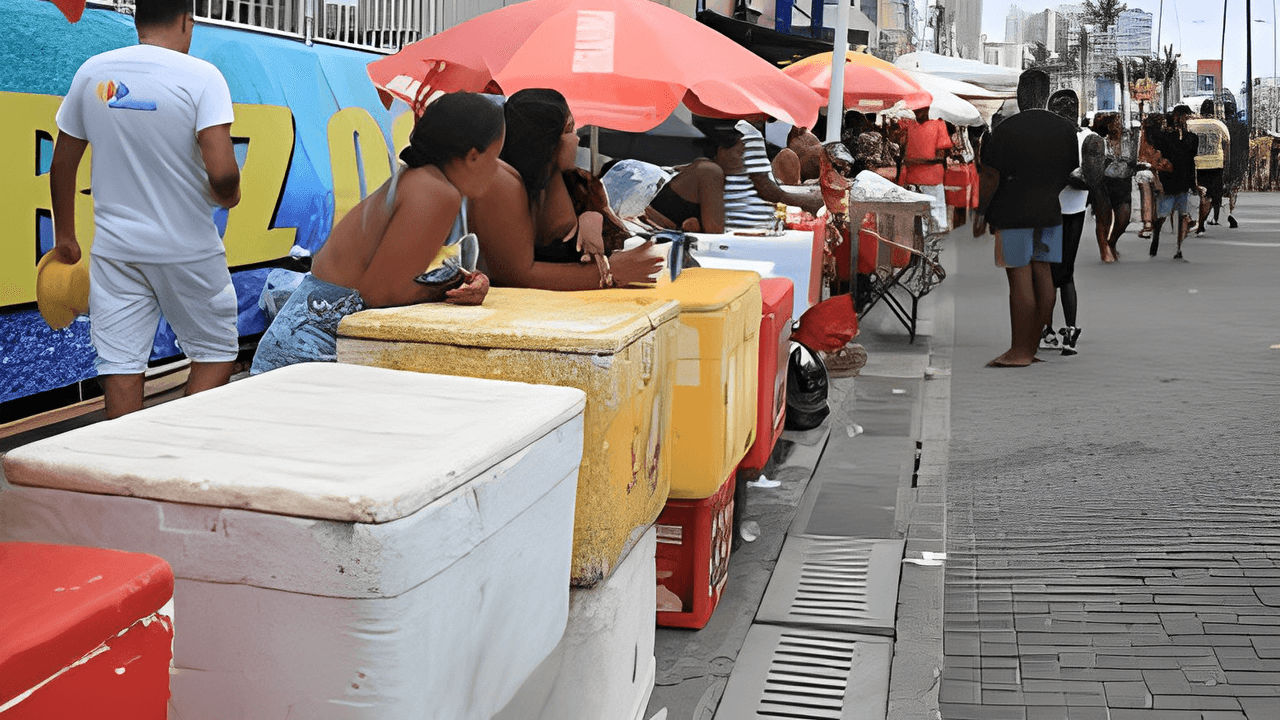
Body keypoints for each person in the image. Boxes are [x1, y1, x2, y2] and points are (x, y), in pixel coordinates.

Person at [49, 0, 240, 419]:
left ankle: (124, 462)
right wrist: (229, 195)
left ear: (138, 20)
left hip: (117, 250)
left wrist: (65, 237)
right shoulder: (203, 77)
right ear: (187, 21)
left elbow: (62, 164)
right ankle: (184, 445)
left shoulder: (93, 71)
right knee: (216, 350)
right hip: (187, 249)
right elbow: (223, 173)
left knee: (119, 363)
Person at [250, 93, 500, 374]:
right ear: (473, 157)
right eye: (495, 158)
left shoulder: (418, 181)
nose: (497, 172)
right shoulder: (435, 191)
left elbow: (389, 272)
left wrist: (460, 280)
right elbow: (383, 292)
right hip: (305, 357)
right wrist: (451, 286)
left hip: (298, 347)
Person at [471, 89, 665, 290]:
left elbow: (621, 242)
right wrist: (608, 272)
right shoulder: (500, 187)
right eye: (569, 130)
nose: (577, 138)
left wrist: (594, 217)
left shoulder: (580, 183)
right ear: (545, 141)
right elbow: (513, 275)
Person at [975, 69, 1079, 368]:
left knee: (1019, 279)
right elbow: (1069, 171)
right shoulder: (1065, 130)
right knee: (1043, 276)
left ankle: (1019, 351)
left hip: (1013, 213)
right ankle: (1030, 346)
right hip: (1049, 211)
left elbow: (991, 176)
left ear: (1022, 93)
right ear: (1046, 94)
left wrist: (981, 211)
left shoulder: (1006, 130)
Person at [1041, 89, 1102, 357]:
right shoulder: (1088, 138)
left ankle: (1052, 330)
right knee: (1063, 273)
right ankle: (1066, 330)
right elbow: (1092, 177)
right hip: (1069, 210)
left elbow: (1089, 178)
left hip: (1055, 209)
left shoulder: (1054, 136)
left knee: (1053, 272)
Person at [720, 120, 823, 229]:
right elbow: (766, 189)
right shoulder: (748, 135)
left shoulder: (750, 134)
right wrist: (807, 201)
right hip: (746, 228)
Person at [644, 122, 738, 233]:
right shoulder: (710, 171)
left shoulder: (698, 167)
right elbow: (715, 231)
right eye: (740, 152)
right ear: (722, 151)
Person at [1148, 106, 1199, 260]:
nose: (1186, 119)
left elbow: (1191, 162)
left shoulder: (1191, 138)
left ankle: (1179, 248)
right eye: (1184, 116)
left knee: (1183, 216)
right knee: (1163, 214)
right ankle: (1156, 235)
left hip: (1183, 180)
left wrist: (1193, 183)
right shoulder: (1164, 137)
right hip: (1168, 182)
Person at [1089, 113, 1136, 263]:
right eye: (1114, 123)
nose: (1118, 125)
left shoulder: (1129, 139)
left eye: (1119, 122)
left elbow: (1136, 158)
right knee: (1103, 219)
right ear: (1107, 126)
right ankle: (1104, 249)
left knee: (1124, 218)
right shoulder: (1099, 140)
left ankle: (1111, 242)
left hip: (1123, 184)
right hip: (1103, 184)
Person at [899, 107, 954, 232]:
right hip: (913, 179)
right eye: (915, 111)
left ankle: (935, 241)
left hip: (932, 179)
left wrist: (918, 161)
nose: (916, 114)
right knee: (917, 214)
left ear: (927, 110)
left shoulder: (938, 124)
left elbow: (941, 156)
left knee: (935, 211)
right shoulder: (910, 125)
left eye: (919, 111)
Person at [1190, 100, 1231, 233]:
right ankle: (1206, 221)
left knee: (1201, 194)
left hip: (1197, 164)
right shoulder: (1218, 125)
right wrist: (1226, 162)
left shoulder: (1191, 125)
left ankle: (1198, 221)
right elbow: (1227, 144)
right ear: (1213, 111)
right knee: (1213, 195)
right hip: (1215, 164)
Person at [1135, 113, 1169, 239]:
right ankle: (1158, 221)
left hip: (1143, 169)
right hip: (1158, 171)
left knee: (1146, 197)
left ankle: (1147, 224)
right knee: (1159, 197)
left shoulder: (1142, 135)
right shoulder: (1163, 136)